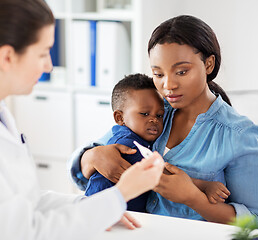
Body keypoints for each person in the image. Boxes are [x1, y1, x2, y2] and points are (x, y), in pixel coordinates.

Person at [0, 0, 165, 239]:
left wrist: (97, 209)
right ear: (7, 57)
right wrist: (121, 194)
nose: (49, 66)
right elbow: (21, 232)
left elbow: (27, 201)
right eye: (43, 53)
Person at [69, 15, 258, 230]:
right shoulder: (152, 112)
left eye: (182, 72)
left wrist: (194, 198)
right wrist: (92, 157)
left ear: (208, 64)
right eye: (158, 73)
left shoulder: (239, 134)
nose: (168, 85)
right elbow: (81, 171)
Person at [85, 73, 231, 213]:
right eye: (144, 114)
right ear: (120, 118)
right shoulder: (127, 144)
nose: (154, 120)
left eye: (159, 115)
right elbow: (160, 174)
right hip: (102, 213)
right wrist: (204, 186)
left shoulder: (142, 139)